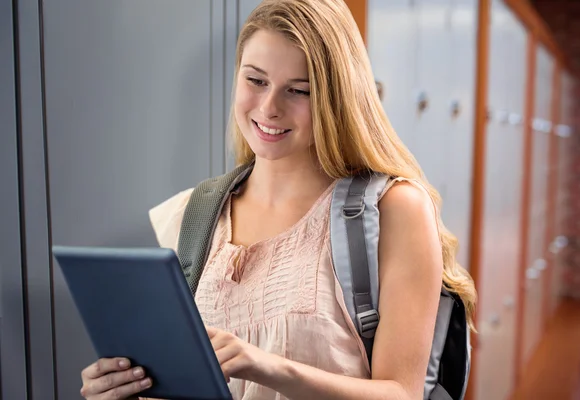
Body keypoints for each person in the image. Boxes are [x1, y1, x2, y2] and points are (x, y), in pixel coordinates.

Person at [79, 0, 477, 399]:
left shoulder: (394, 210)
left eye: (299, 90)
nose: (269, 108)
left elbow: (401, 394)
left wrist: (265, 365)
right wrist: (124, 389)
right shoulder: (193, 214)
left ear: (337, 98)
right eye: (256, 81)